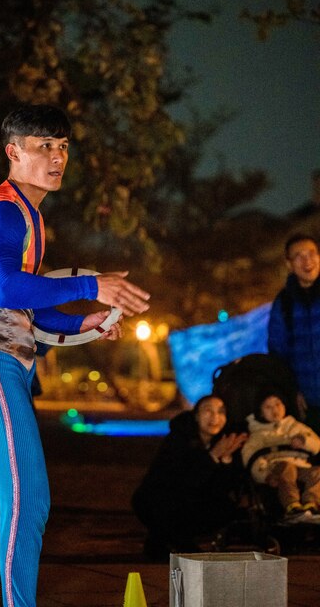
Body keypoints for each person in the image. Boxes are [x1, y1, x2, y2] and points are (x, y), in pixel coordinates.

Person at [0, 104, 150, 607]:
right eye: (43, 146)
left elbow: (24, 307)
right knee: (29, 504)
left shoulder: (29, 216)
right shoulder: (2, 211)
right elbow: (6, 288)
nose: (57, 157)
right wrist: (92, 286)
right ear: (13, 152)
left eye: (63, 146)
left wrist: (81, 322)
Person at [131, 395, 247, 559]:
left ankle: (172, 540)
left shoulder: (223, 441)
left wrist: (226, 460)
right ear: (196, 416)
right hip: (156, 500)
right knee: (170, 503)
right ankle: (170, 540)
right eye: (208, 411)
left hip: (192, 501)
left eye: (221, 412)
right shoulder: (179, 438)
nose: (215, 417)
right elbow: (181, 482)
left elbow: (220, 489)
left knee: (225, 508)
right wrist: (212, 457)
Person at [268, 233, 320, 431]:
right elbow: (277, 353)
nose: (307, 261)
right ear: (289, 264)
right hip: (309, 404)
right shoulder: (284, 304)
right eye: (299, 256)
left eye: (312, 253)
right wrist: (291, 391)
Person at [241, 391, 320, 521]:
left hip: (300, 465)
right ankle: (292, 506)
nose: (275, 409)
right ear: (260, 412)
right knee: (287, 468)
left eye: (278, 404)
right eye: (268, 407)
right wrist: (265, 476)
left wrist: (304, 441)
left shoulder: (295, 426)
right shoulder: (257, 434)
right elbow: (250, 457)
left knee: (317, 472)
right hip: (275, 467)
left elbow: (317, 444)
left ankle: (311, 504)